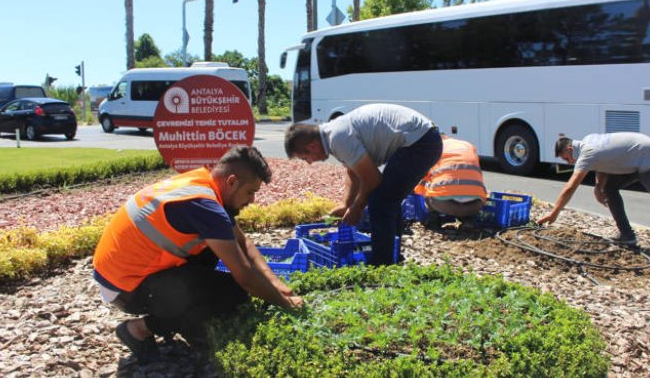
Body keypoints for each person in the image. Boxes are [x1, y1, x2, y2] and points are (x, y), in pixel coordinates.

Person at [92, 146, 304, 363]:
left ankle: (186, 318)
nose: (252, 201)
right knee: (233, 293)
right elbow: (245, 278)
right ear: (231, 182)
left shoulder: (203, 184)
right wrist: (287, 304)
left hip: (124, 275)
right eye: (251, 192)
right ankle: (139, 329)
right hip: (125, 288)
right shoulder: (204, 206)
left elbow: (243, 243)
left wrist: (275, 283)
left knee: (220, 254)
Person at [284, 103, 443, 265]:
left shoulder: (337, 138)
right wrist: (345, 204)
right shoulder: (332, 133)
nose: (309, 163)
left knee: (380, 201)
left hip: (421, 143)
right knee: (387, 198)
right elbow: (353, 172)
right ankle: (391, 256)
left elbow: (372, 179)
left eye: (305, 158)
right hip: (421, 138)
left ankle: (383, 264)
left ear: (312, 147)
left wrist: (356, 208)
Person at [537, 133, 650, 272]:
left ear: (569, 149)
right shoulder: (588, 140)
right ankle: (627, 236)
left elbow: (570, 186)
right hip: (638, 159)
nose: (569, 162)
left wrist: (554, 213)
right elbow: (604, 163)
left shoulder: (587, 152)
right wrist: (599, 187)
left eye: (566, 158)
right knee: (610, 188)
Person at [414, 135, 487, 219]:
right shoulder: (468, 146)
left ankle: (434, 218)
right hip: (475, 206)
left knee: (428, 186)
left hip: (445, 205)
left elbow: (421, 181)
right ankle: (468, 220)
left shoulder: (434, 147)